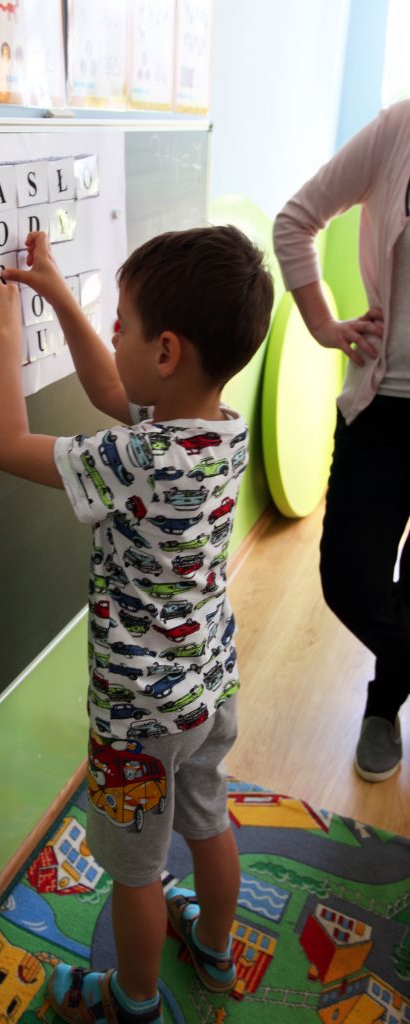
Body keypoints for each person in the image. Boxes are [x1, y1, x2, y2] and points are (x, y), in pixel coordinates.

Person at [0, 227, 273, 1023]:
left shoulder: (135, 459)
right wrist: (58, 296)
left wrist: (5, 338)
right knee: (207, 820)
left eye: (122, 324)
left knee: (135, 871)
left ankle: (131, 1000)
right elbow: (112, 386)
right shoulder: (220, 429)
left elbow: (4, 444)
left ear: (166, 351)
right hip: (208, 686)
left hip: (137, 716)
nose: (113, 336)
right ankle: (214, 948)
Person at [273, 100, 410, 783]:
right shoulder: (398, 129)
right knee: (350, 582)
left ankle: (382, 707)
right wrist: (323, 323)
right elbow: (294, 222)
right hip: (381, 404)